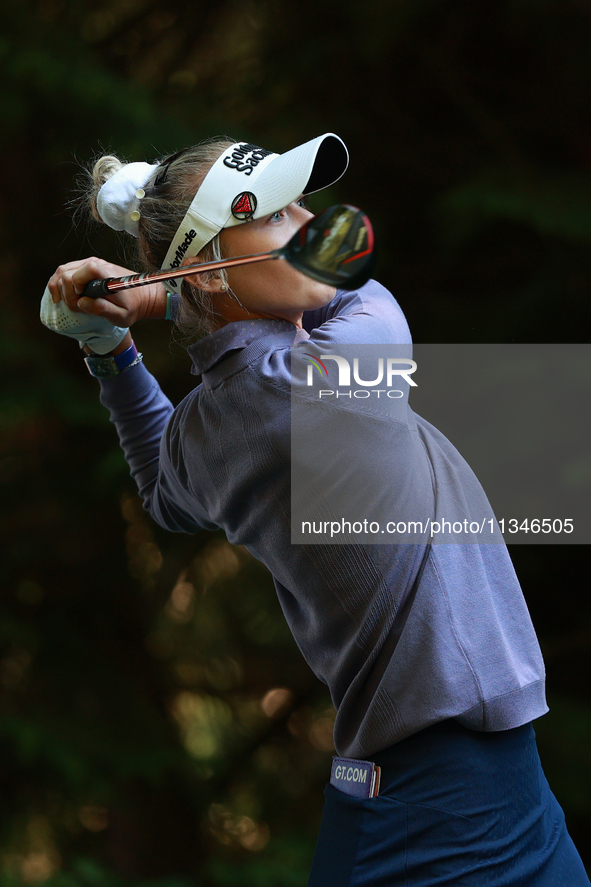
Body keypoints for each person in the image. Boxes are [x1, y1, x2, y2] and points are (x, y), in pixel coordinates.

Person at [43, 134, 590, 885]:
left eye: (298, 200)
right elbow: (361, 287)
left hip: (482, 798)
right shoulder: (320, 381)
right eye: (271, 215)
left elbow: (163, 491)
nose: (307, 222)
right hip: (440, 823)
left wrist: (112, 348)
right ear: (210, 264)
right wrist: (168, 292)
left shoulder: (215, 419)